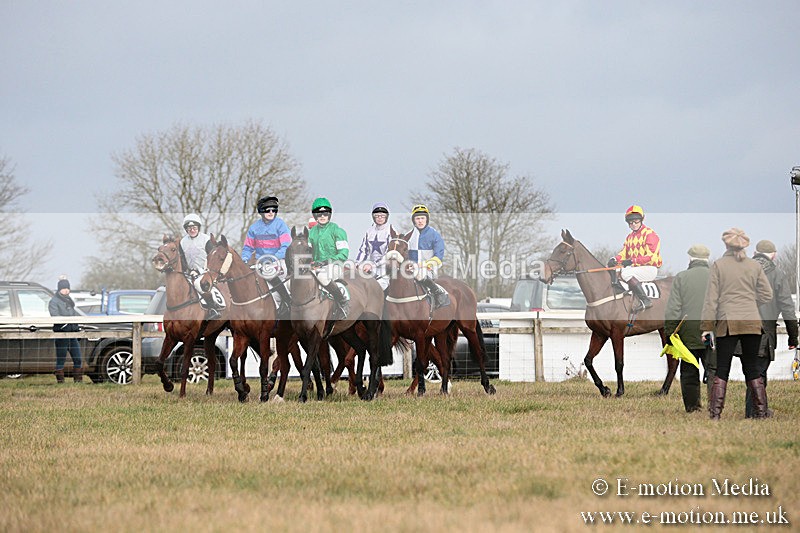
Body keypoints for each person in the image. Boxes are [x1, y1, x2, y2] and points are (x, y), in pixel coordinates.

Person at [700, 228, 773, 420]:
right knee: (752, 368)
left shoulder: (719, 265)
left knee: (722, 368)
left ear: (726, 244)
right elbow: (767, 294)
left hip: (727, 322)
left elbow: (710, 300)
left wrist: (707, 327)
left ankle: (715, 415)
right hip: (752, 322)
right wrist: (749, 303)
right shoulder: (754, 266)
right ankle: (761, 413)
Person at [743, 239, 798, 418]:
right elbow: (787, 309)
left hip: (739, 331)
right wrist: (793, 337)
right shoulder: (777, 275)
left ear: (755, 253)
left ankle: (754, 410)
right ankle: (756, 412)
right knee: (759, 372)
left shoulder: (742, 272)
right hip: (763, 332)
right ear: (773, 255)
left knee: (751, 370)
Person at [664, 244, 714, 412]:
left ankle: (692, 407)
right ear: (707, 259)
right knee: (713, 370)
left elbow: (673, 309)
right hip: (712, 332)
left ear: (690, 258)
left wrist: (670, 333)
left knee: (689, 371)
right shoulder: (716, 277)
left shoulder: (681, 277)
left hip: (687, 332)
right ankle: (715, 406)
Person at [241, 195, 293, 318]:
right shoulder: (254, 228)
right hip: (260, 263)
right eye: (267, 210)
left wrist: (272, 258)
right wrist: (244, 261)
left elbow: (286, 245)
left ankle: (288, 303)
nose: (271, 212)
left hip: (279, 261)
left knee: (269, 273)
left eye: (274, 210)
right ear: (261, 211)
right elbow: (248, 248)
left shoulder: (280, 224)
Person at [607, 205, 662, 310]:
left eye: (636, 221)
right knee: (615, 270)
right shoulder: (630, 237)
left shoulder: (650, 234)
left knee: (626, 273)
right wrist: (615, 259)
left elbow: (650, 257)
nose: (633, 224)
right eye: (631, 222)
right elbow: (624, 253)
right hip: (636, 268)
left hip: (649, 268)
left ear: (641, 220)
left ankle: (645, 300)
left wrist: (632, 261)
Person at [308, 197, 350, 321]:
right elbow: (308, 252)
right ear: (315, 216)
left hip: (334, 265)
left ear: (329, 214)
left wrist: (326, 262)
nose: (322, 216)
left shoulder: (337, 231)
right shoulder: (311, 233)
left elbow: (344, 254)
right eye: (319, 214)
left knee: (322, 276)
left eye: (325, 213)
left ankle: (342, 301)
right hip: (316, 266)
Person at [180, 213, 226, 320]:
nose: (192, 230)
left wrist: (202, 270)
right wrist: (186, 270)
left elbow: (213, 257)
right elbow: (182, 260)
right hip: (189, 272)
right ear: (186, 229)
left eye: (194, 228)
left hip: (204, 271)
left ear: (198, 228)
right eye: (189, 228)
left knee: (198, 284)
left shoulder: (206, 240)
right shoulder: (183, 242)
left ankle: (212, 308)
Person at [408, 204, 450, 307]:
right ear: (414, 220)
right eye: (417, 218)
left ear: (427, 219)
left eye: (422, 218)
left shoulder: (435, 234)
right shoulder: (408, 235)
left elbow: (438, 256)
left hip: (428, 269)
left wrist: (424, 264)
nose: (420, 221)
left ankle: (437, 292)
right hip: (411, 269)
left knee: (420, 273)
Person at [48, 277, 83, 383]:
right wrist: (66, 324)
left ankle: (78, 381)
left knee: (78, 358)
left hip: (73, 334)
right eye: (64, 288)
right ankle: (60, 381)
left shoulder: (69, 301)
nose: (66, 290)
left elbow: (75, 315)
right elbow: (55, 316)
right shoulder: (54, 301)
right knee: (61, 359)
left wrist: (76, 326)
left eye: (67, 288)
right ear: (59, 289)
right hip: (62, 334)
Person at [355, 202, 394, 291]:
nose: (380, 218)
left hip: (385, 268)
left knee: (377, 287)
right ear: (373, 217)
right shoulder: (369, 231)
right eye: (377, 215)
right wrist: (357, 264)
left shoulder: (391, 231)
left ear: (386, 217)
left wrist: (373, 265)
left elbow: (388, 254)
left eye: (382, 216)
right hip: (371, 267)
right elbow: (363, 250)